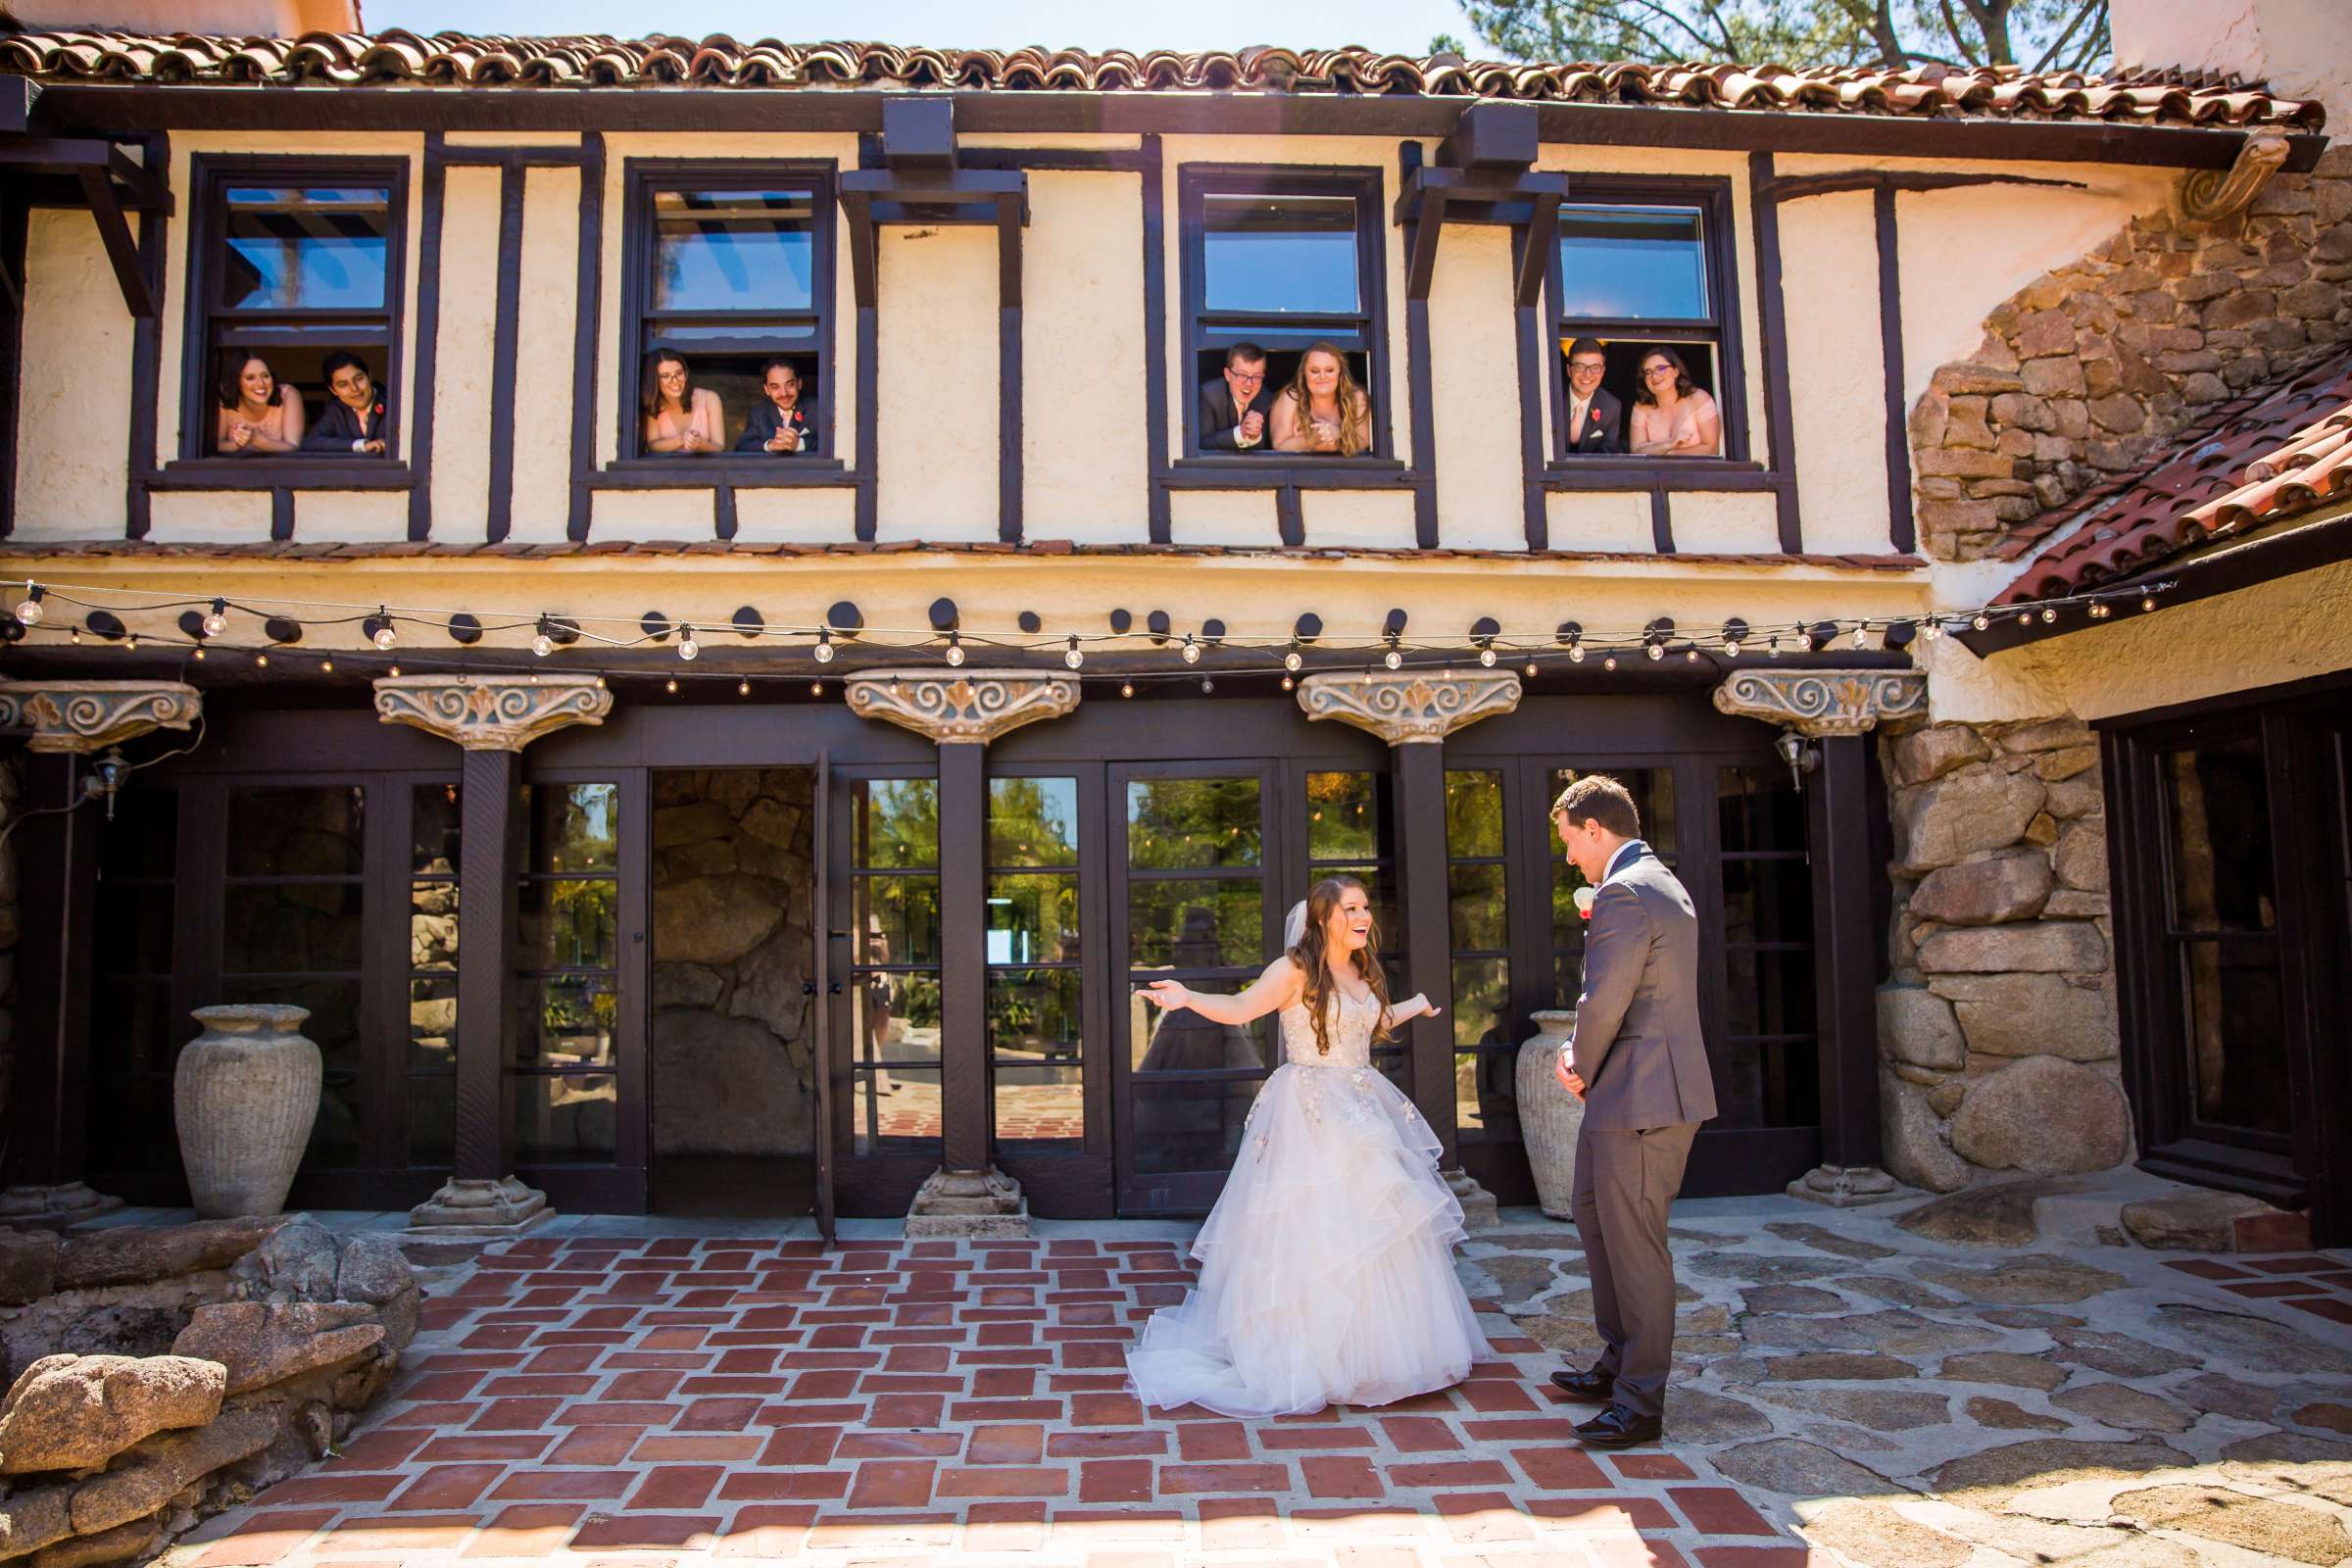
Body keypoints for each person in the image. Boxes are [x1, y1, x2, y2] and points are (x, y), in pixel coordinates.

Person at [1125, 876, 1483, 1418]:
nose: (1364, 916)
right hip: (1310, 1107)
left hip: (1362, 1106)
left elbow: (1368, 1023)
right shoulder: (1294, 969)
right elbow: (1242, 1008)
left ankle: (1377, 1355)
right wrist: (1188, 997)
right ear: (1323, 919)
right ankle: (1308, 1354)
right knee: (1312, 1223)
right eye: (1351, 909)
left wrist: (1415, 1006)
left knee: (1375, 1221)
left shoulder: (1362, 968)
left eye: (1365, 907)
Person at [1549, 775, 1717, 1448]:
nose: (1568, 860)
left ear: (1596, 829)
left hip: (1642, 1096)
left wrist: (1574, 1060)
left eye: (1569, 843)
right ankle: (1618, 1360)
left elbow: (1605, 999)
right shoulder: (1655, 882)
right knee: (1595, 1216)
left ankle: (1640, 1403)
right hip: (1631, 1094)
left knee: (1636, 1246)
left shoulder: (1625, 890)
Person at [1270, 341, 1372, 457]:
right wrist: (1312, 439)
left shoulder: (1356, 397)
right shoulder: (1291, 397)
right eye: (1315, 371)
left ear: (1340, 372)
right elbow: (1278, 446)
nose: (1322, 377)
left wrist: (1337, 434)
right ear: (1304, 373)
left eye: (1329, 370)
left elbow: (1364, 442)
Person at [1628, 347, 1721, 458]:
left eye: (1661, 368)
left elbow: (1712, 448)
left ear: (1676, 372)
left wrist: (1672, 453)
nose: (1654, 376)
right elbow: (1636, 451)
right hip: (1655, 474)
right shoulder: (1641, 406)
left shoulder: (1699, 399)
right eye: (1648, 372)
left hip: (1699, 473)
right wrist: (1668, 445)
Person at [216, 353, 305, 455]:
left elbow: (293, 446)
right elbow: (216, 445)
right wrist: (237, 444)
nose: (261, 383)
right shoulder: (226, 399)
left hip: (280, 469)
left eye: (265, 376)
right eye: (250, 377)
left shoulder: (287, 395)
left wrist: (256, 440)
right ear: (236, 383)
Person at [300, 352, 389, 455]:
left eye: (359, 379)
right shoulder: (336, 410)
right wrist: (360, 445)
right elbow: (310, 442)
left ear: (369, 375)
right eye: (343, 384)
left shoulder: (394, 401)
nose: (354, 388)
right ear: (333, 390)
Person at [641, 351, 722, 455]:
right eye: (666, 376)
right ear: (654, 380)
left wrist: (701, 444)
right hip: (666, 470)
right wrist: (680, 440)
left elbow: (719, 446)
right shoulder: (653, 404)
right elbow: (652, 445)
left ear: (686, 373)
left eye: (679, 373)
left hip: (705, 470)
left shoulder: (709, 399)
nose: (675, 381)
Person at [1199, 342, 1273, 453]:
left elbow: (1266, 449)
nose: (1249, 384)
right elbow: (1203, 444)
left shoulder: (1266, 399)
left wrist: (1254, 437)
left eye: (1257, 376)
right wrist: (1241, 432)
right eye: (1242, 375)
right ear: (1227, 375)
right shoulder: (1210, 394)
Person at [733, 359, 816, 455]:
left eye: (790, 384)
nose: (784, 393)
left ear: (799, 384)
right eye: (775, 387)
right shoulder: (759, 412)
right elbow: (742, 446)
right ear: (767, 389)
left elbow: (834, 446)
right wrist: (770, 445)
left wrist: (799, 444)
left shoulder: (817, 408)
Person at [1561, 338, 1622, 455]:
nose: (1587, 374)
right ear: (1569, 370)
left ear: (1603, 372)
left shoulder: (1612, 406)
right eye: (1580, 366)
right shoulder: (1551, 399)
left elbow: (1607, 453)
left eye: (1595, 368)